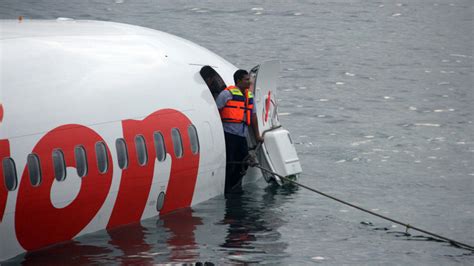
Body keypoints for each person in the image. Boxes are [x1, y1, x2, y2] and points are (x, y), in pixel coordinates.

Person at [216, 69, 263, 193]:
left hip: (242, 135)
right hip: (229, 134)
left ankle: (235, 185)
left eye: (250, 79)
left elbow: (253, 116)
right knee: (230, 162)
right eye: (246, 80)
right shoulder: (227, 94)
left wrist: (257, 135)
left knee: (244, 161)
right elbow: (216, 110)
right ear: (238, 81)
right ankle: (227, 188)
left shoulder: (249, 96)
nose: (249, 82)